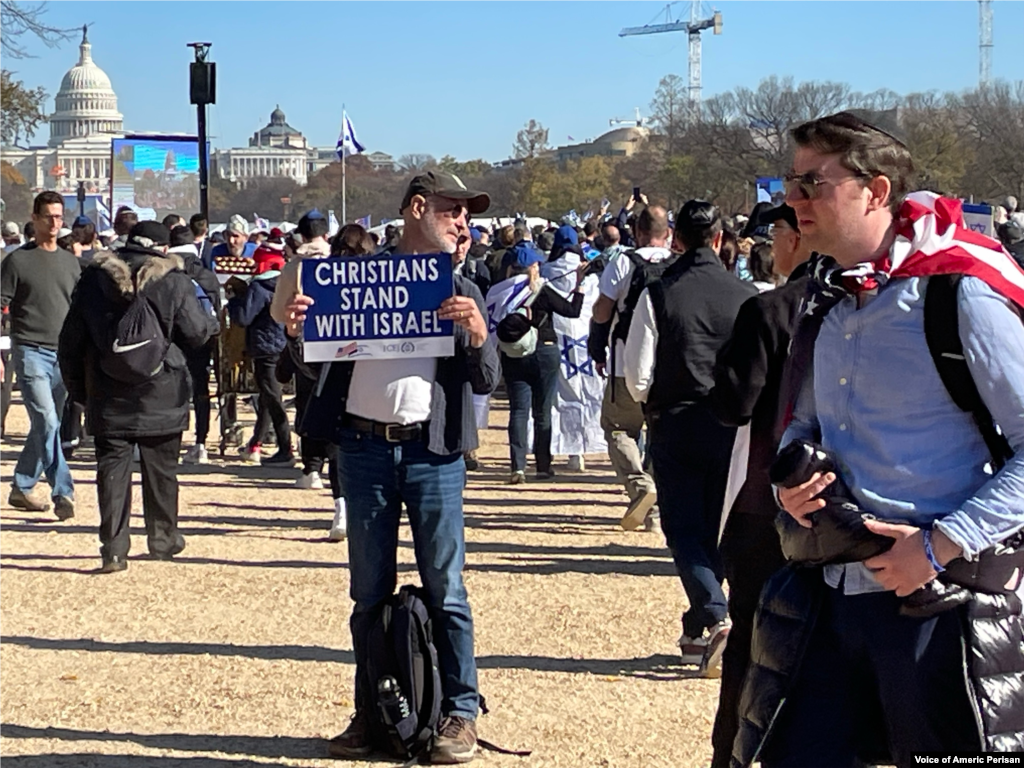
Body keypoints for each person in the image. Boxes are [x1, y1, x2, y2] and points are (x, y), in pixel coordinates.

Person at [738, 111, 1024, 766]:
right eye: (790, 181)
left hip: (942, 608)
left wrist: (939, 545)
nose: (792, 199)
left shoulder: (958, 297)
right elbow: (806, 421)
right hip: (829, 598)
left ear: (875, 190)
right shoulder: (826, 299)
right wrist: (792, 485)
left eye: (812, 182)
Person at [283, 169, 499, 763]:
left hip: (434, 455)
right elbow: (314, 366)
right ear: (418, 209)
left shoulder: (463, 287)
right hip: (364, 448)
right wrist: (301, 332)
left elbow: (487, 380)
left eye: (468, 216)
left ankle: (461, 711)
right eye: (454, 212)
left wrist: (479, 336)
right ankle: (372, 712)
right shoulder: (355, 280)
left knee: (446, 588)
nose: (463, 224)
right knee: (368, 593)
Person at [623, 200, 758, 677]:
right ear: (720, 238)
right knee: (717, 527)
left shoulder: (658, 294)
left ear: (676, 238)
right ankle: (698, 623)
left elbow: (636, 375)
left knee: (683, 529)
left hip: (675, 418)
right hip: (730, 423)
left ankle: (716, 617)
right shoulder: (747, 294)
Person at [706, 202, 811, 768]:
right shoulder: (875, 307)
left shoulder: (771, 310)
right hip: (852, 510)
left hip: (763, 503)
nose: (773, 240)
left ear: (801, 235)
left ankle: (733, 757)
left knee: (751, 648)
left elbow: (731, 404)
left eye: (778, 229)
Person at [58, 221, 218, 573]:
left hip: (106, 389)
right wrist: (211, 324)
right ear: (163, 249)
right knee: (162, 469)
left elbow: (70, 343)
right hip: (162, 389)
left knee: (111, 473)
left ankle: (114, 549)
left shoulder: (93, 281)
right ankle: (162, 539)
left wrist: (80, 392)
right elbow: (194, 334)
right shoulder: (174, 282)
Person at [591, 206, 674, 531]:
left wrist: (599, 344)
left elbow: (601, 312)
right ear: (667, 233)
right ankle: (656, 514)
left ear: (636, 232)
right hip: (668, 365)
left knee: (618, 428)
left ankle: (641, 487)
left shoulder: (623, 262)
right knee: (659, 435)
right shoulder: (677, 264)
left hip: (626, 360)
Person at [0, 191, 80, 517]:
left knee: (46, 425)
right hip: (30, 349)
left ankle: (21, 485)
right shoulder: (18, 261)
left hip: (63, 354)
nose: (54, 223)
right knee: (47, 420)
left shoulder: (70, 262)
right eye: (48, 216)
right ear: (34, 218)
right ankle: (63, 491)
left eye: (59, 217)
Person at [490, 237, 585, 483]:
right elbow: (572, 311)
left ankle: (517, 467)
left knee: (519, 410)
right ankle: (543, 465)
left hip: (514, 354)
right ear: (534, 266)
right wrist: (580, 286)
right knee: (542, 412)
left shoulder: (499, 292)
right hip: (545, 350)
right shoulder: (542, 289)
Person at [228, 244, 293, 466]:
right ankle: (255, 443)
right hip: (285, 345)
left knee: (273, 399)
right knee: (267, 397)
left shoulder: (260, 286)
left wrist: (235, 300)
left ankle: (286, 449)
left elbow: (243, 318)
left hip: (265, 348)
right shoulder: (288, 281)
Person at [169, 226, 221, 465]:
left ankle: (173, 439)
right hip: (203, 338)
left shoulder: (169, 274)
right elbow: (217, 311)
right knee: (202, 389)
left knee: (174, 389)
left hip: (175, 339)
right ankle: (201, 443)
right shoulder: (208, 275)